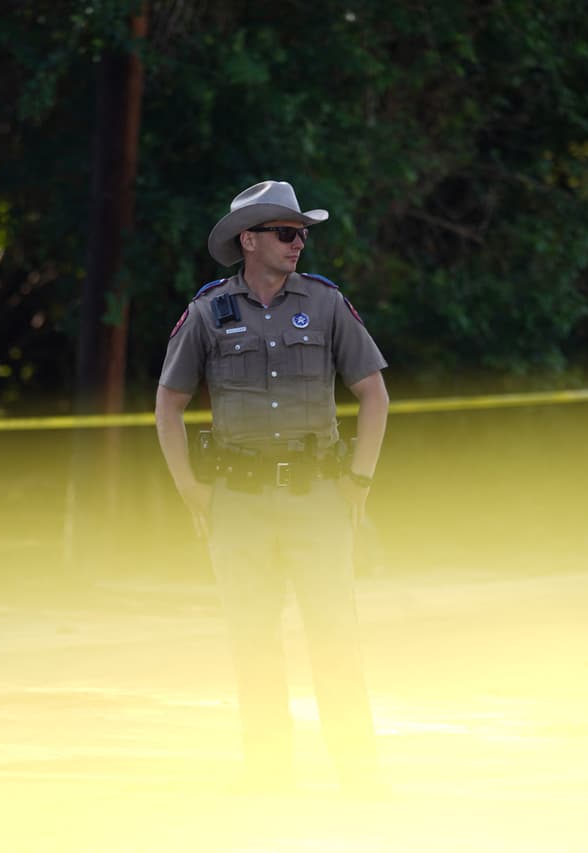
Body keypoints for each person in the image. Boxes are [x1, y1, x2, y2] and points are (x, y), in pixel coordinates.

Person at [154, 180, 390, 796]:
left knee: (335, 638)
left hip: (318, 498)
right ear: (248, 240)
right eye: (286, 232)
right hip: (239, 505)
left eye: (301, 233)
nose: (298, 242)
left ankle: (361, 780)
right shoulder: (208, 312)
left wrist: (359, 479)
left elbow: (374, 394)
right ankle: (270, 783)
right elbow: (168, 405)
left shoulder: (327, 303)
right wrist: (189, 488)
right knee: (253, 643)